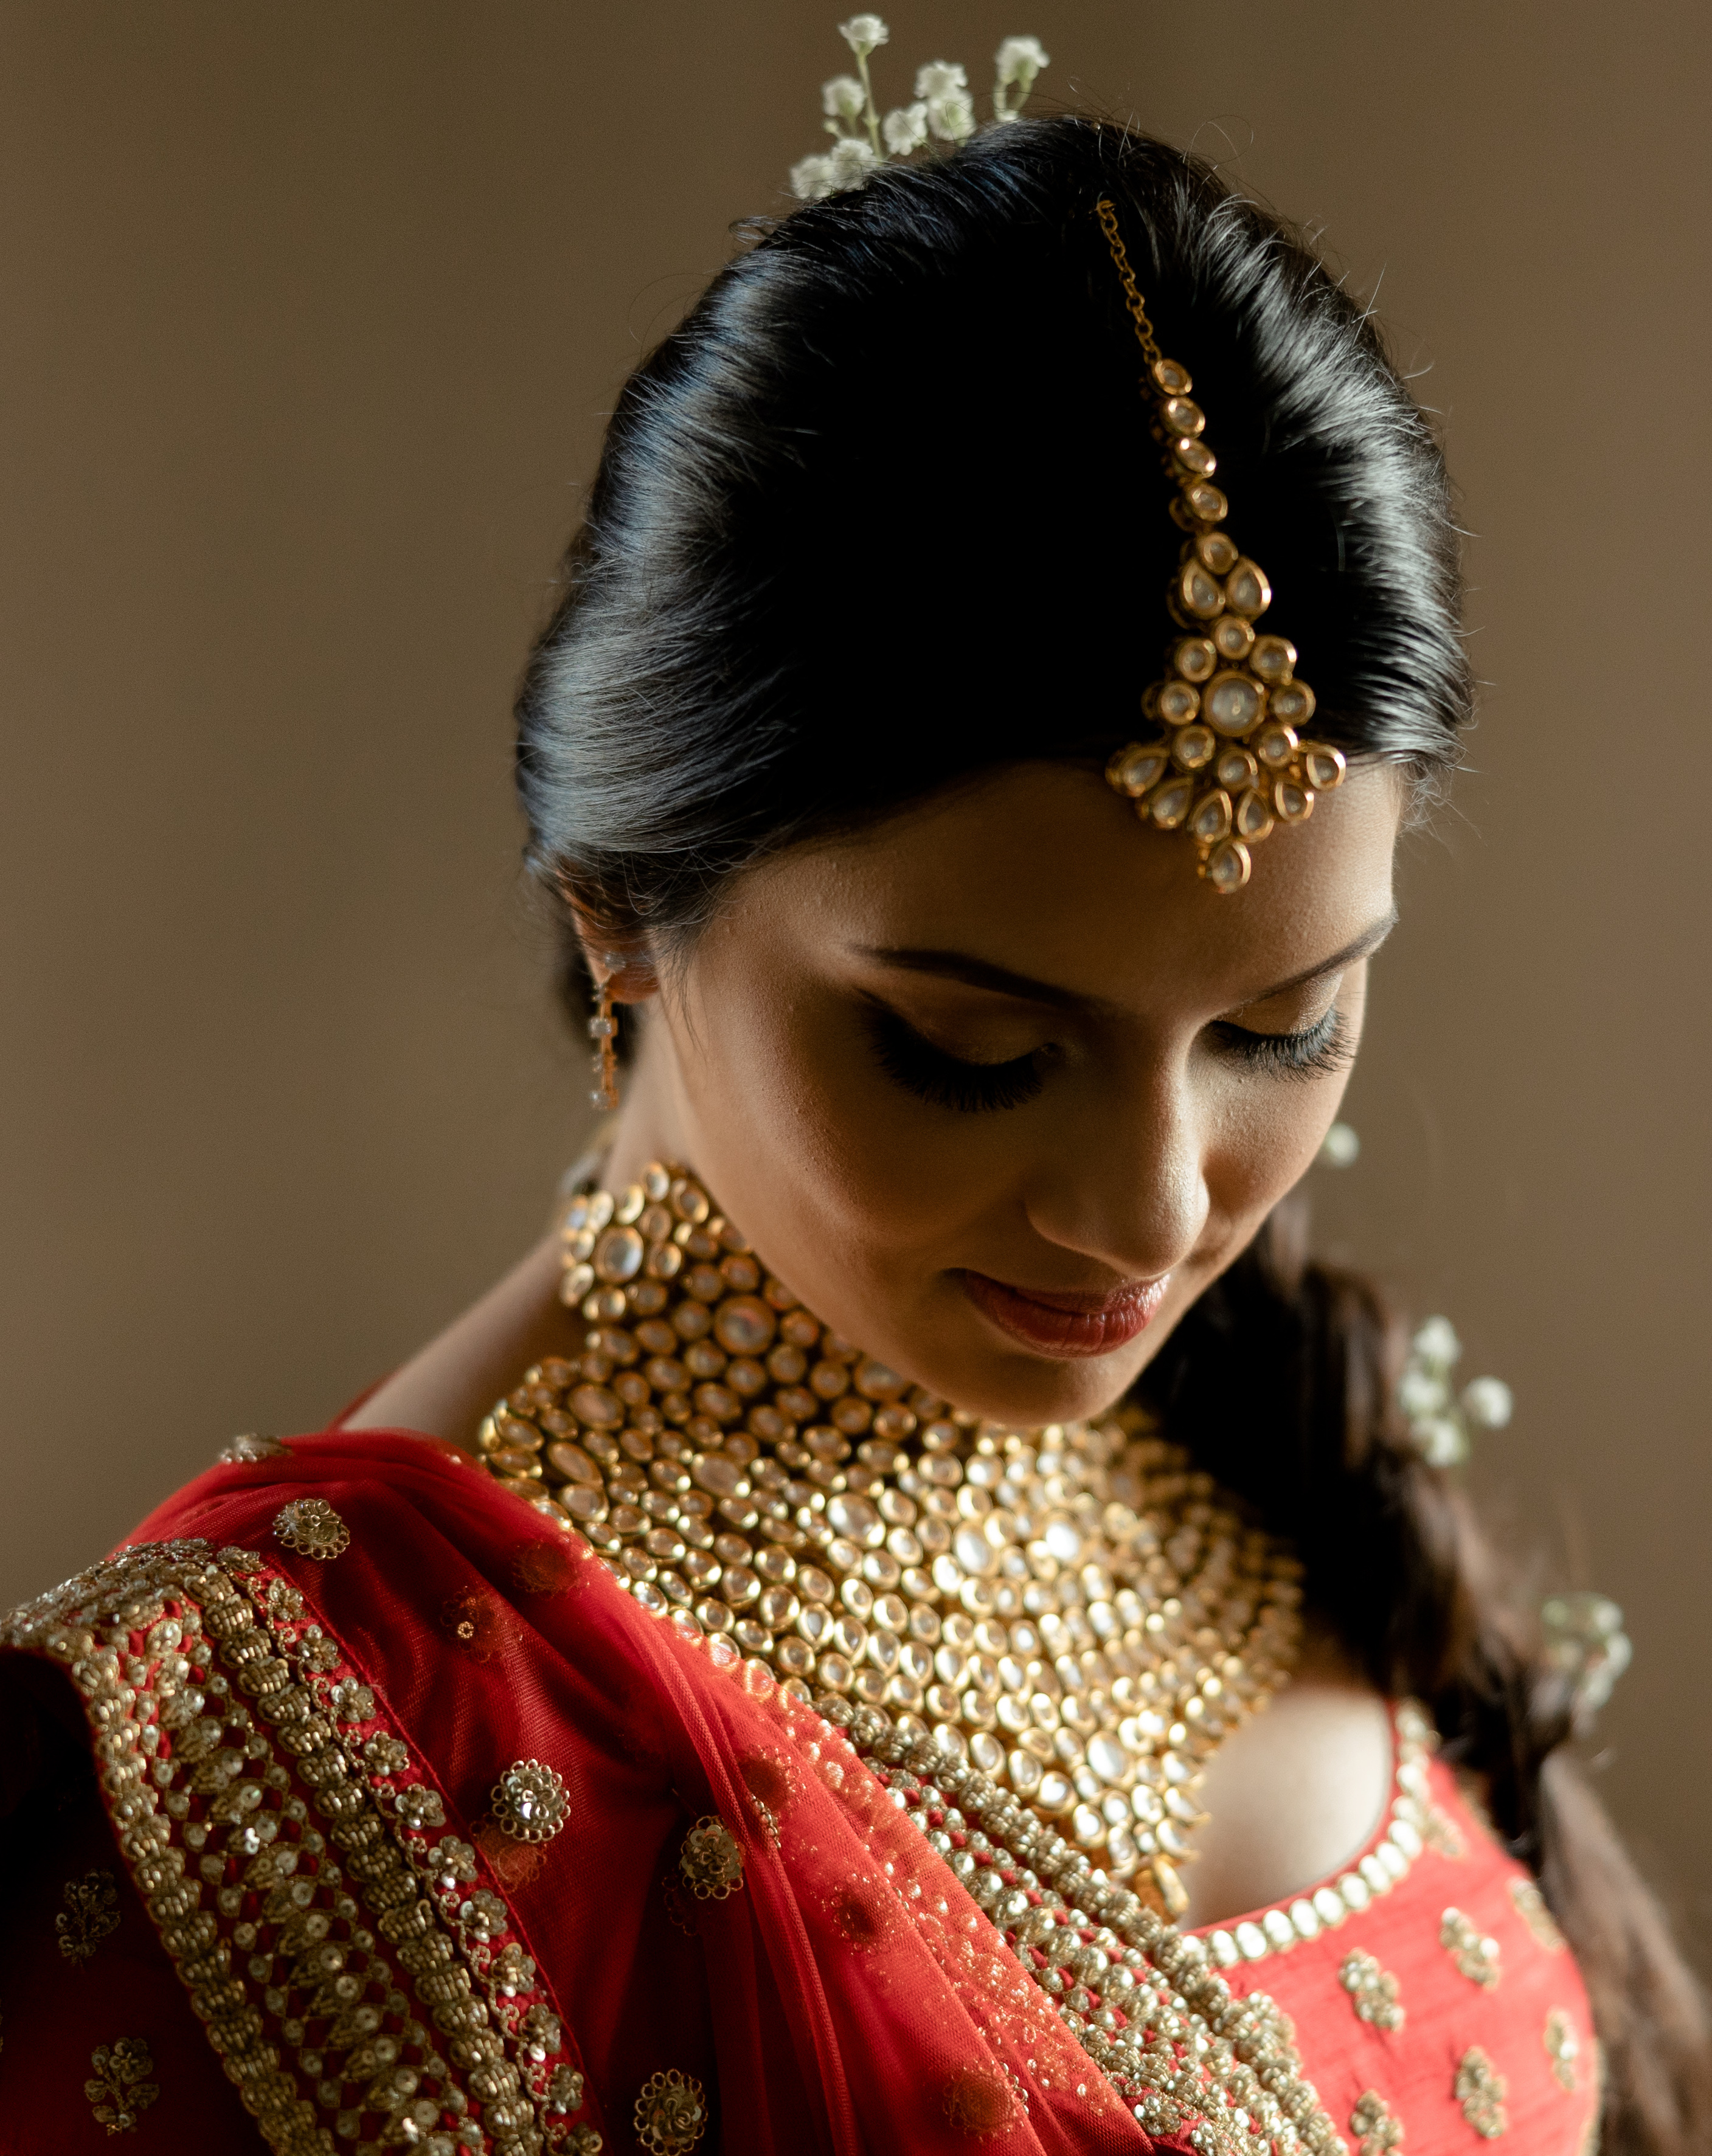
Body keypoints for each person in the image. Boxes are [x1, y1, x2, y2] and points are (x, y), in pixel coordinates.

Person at [1, 75, 1705, 2156]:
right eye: (971, 1051)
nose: (1154, 1204)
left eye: (1283, 1028)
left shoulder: (1244, 1455)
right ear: (622, 913)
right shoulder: (293, 1743)